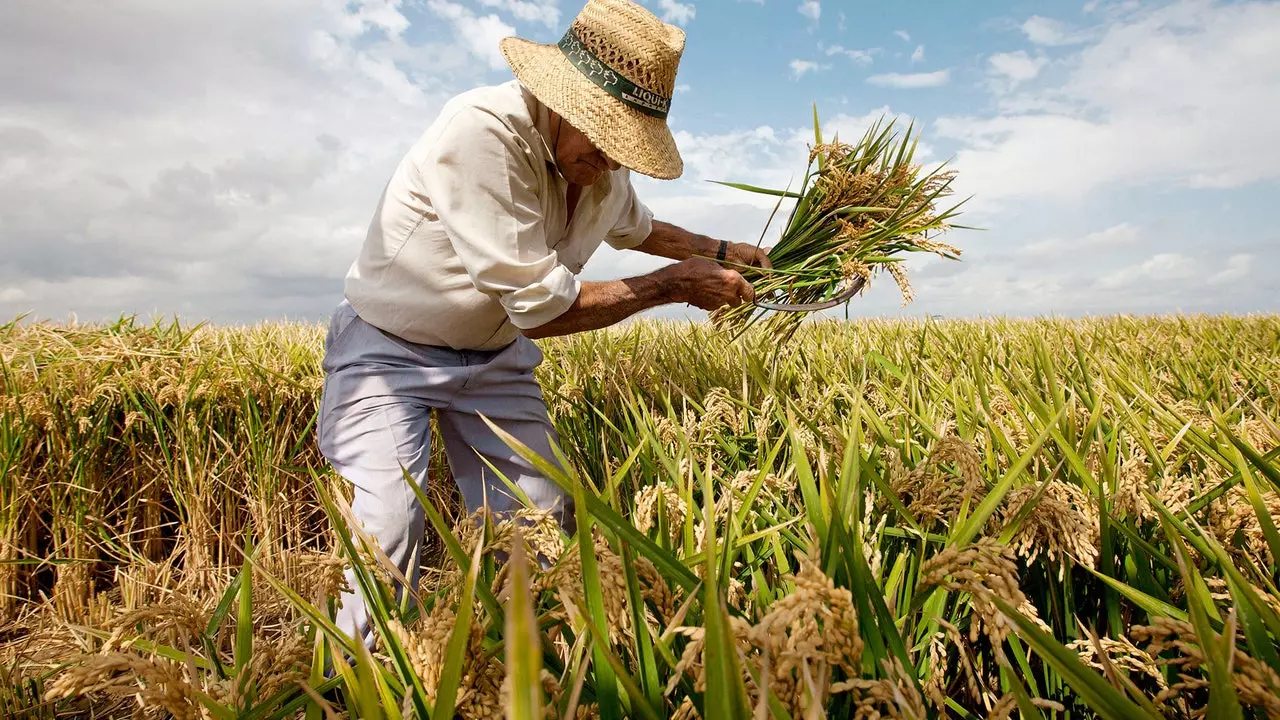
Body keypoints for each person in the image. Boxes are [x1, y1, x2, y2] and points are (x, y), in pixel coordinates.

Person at [316, 0, 771, 649]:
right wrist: (673, 287)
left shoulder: (601, 169)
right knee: (389, 527)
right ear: (565, 104)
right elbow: (541, 309)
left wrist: (725, 251)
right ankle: (351, 683)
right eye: (609, 144)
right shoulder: (482, 134)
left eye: (627, 151)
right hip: (390, 352)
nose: (615, 164)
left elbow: (641, 230)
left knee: (533, 520)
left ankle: (510, 666)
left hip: (495, 356)